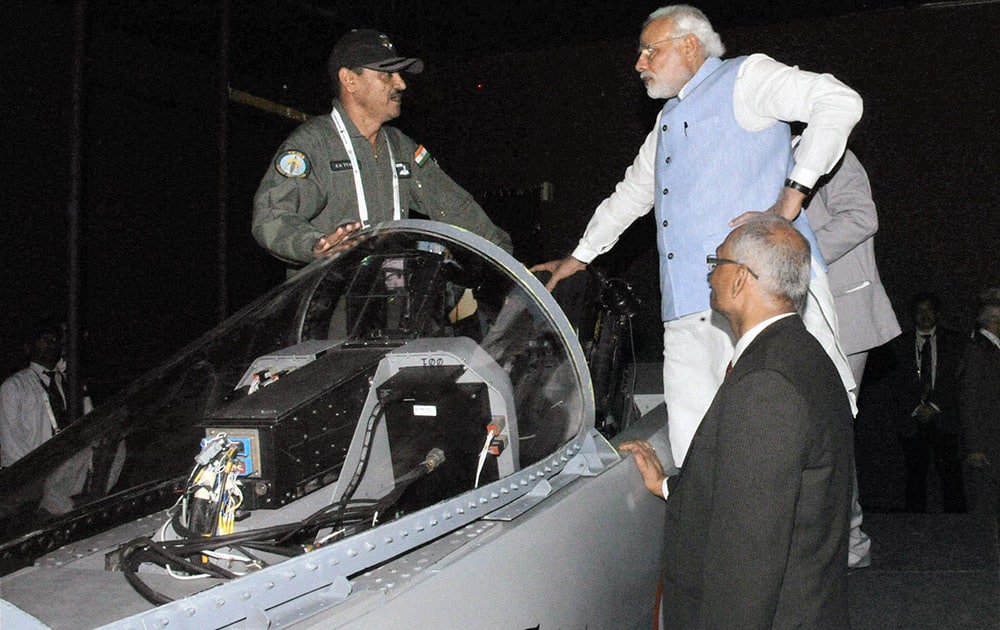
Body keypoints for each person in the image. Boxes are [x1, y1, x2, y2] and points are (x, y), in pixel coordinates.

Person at [531, 5, 862, 471]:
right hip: (688, 311)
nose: (639, 63)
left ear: (690, 45)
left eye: (650, 50)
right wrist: (579, 258)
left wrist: (791, 198)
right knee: (698, 452)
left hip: (762, 301)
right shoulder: (667, 121)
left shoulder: (746, 77)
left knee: (789, 443)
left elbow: (839, 101)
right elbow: (630, 195)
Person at [622, 215, 854, 628]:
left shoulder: (766, 382)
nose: (711, 274)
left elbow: (749, 552)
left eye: (718, 262)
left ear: (741, 279)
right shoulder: (804, 356)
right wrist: (669, 485)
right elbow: (764, 494)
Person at [253, 29, 512, 275]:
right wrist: (313, 244)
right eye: (386, 74)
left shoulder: (401, 148)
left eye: (399, 74)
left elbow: (456, 207)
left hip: (388, 307)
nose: (401, 84)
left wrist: (510, 264)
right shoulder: (314, 144)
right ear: (349, 80)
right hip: (327, 311)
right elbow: (272, 217)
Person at [805, 147, 901, 568]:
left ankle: (849, 543)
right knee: (811, 435)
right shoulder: (760, 156)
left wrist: (792, 253)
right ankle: (831, 542)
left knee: (829, 431)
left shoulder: (835, 154)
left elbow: (862, 218)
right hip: (796, 313)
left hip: (844, 316)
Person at [887, 292, 967, 513]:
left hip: (944, 418)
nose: (924, 315)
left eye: (928, 310)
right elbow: (895, 382)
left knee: (950, 473)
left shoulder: (954, 342)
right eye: (919, 311)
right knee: (914, 475)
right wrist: (916, 407)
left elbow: (956, 378)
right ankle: (915, 525)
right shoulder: (899, 344)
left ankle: (957, 524)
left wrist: (934, 406)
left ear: (937, 313)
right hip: (912, 420)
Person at [0, 319, 69, 467]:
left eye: (55, 340)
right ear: (28, 347)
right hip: (30, 476)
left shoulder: (67, 383)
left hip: (65, 472)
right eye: (45, 339)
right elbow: (10, 443)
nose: (52, 344)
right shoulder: (15, 386)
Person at [958, 293, 1000, 518]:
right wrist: (975, 446)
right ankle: (982, 552)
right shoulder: (978, 351)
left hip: (994, 440)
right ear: (994, 322)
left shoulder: (991, 350)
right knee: (985, 503)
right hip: (987, 441)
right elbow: (969, 399)